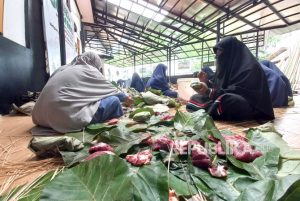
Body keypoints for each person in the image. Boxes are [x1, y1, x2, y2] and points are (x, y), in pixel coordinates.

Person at [32, 52, 132, 133]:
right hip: (65, 119)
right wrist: (127, 98)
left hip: (39, 117)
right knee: (114, 101)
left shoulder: (61, 69)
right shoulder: (90, 69)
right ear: (95, 63)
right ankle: (116, 126)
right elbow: (112, 91)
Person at [187, 36, 274, 121]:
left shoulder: (250, 68)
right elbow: (220, 87)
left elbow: (238, 92)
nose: (218, 58)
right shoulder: (228, 67)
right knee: (195, 97)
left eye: (221, 53)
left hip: (251, 107)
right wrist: (206, 83)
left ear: (232, 53)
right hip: (224, 98)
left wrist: (208, 92)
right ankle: (211, 110)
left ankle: (207, 109)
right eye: (217, 55)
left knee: (229, 101)